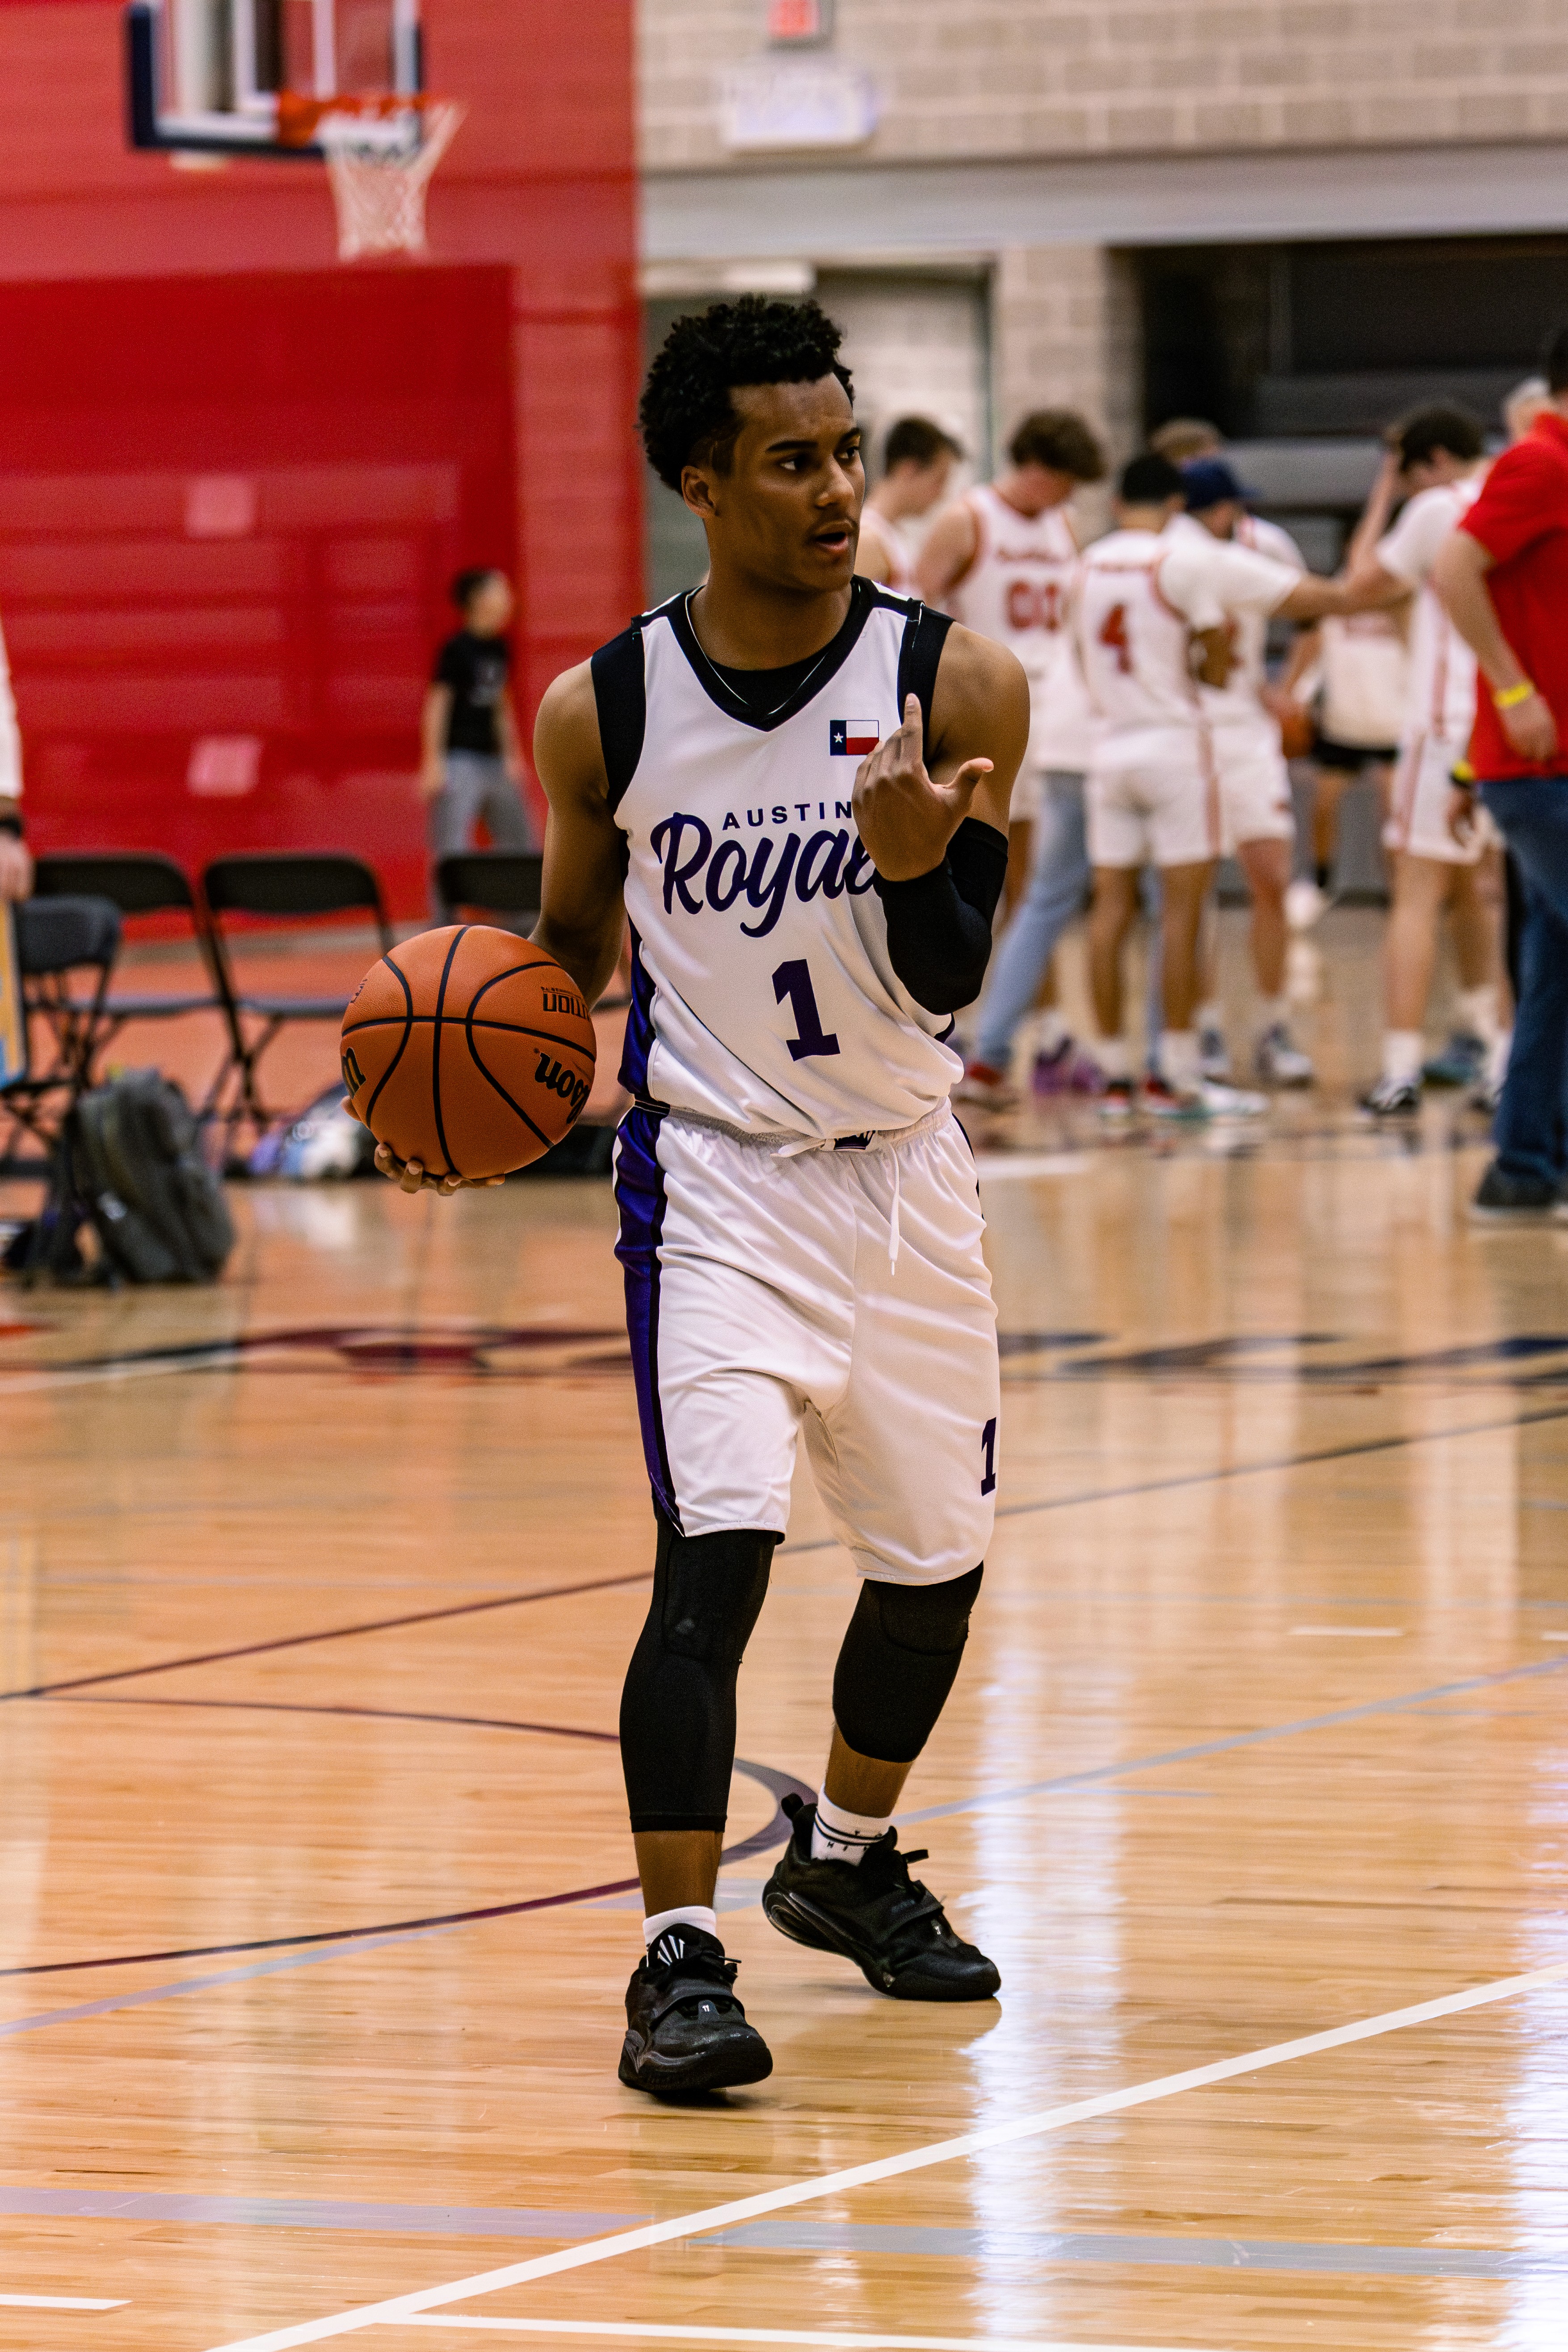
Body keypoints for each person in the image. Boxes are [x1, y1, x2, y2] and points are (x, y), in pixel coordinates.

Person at [383, 296, 1030, 2090]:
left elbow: (954, 968)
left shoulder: (953, 681)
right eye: (791, 460)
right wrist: (473, 1087)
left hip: (904, 1176)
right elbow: (574, 949)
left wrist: (914, 872)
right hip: (717, 1185)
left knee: (931, 1578)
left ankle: (840, 1855)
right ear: (700, 483)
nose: (837, 489)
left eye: (843, 448)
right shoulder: (602, 707)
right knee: (712, 1565)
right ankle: (675, 1951)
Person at [1073, 453, 1346, 1118]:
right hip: (1175, 745)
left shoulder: (1084, 565)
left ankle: (1113, 1076)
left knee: (1108, 914)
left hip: (1108, 746)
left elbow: (1079, 657)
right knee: (1181, 912)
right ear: (1173, 506)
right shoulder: (1181, 562)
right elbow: (1215, 661)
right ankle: (1178, 1074)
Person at [916, 409, 1109, 1107]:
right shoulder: (967, 519)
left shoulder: (1062, 527)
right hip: (983, 716)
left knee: (1036, 885)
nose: (1069, 499)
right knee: (986, 881)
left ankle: (1048, 1032)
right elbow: (918, 608)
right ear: (1040, 469)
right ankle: (965, 1030)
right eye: (1066, 483)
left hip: (1052, 716)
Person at [1329, 406, 1508, 1116]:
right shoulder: (1508, 491)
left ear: (1429, 463)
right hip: (1508, 716)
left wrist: (1383, 494)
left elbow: (1363, 582)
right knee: (1481, 893)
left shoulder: (1438, 505)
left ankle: (1400, 1067)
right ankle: (1497, 1052)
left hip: (1445, 725)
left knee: (1416, 892)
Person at [1433, 326, 1568, 1218]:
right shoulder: (1539, 462)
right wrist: (1511, 686)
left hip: (1544, 765)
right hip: (1534, 766)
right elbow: (1453, 567)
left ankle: (1520, 1168)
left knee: (1552, 964)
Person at [1176, 456, 1316, 1086]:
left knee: (1272, 877)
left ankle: (1271, 1025)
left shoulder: (1267, 544)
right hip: (1186, 733)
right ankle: (1201, 1027)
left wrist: (1290, 688)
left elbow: (1312, 616)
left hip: (1247, 732)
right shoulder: (1164, 558)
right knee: (1192, 892)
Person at [420, 568, 536, 918]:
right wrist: (433, 762)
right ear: (477, 600)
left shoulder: (500, 646)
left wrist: (513, 755)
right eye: (500, 590)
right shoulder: (456, 649)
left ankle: (525, 923)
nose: (509, 598)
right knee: (452, 847)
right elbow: (437, 705)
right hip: (459, 759)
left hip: (494, 761)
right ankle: (443, 929)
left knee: (520, 842)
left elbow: (501, 703)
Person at [854, 415, 962, 594]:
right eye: (939, 481)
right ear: (909, 471)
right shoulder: (868, 541)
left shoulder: (892, 536)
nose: (942, 495)